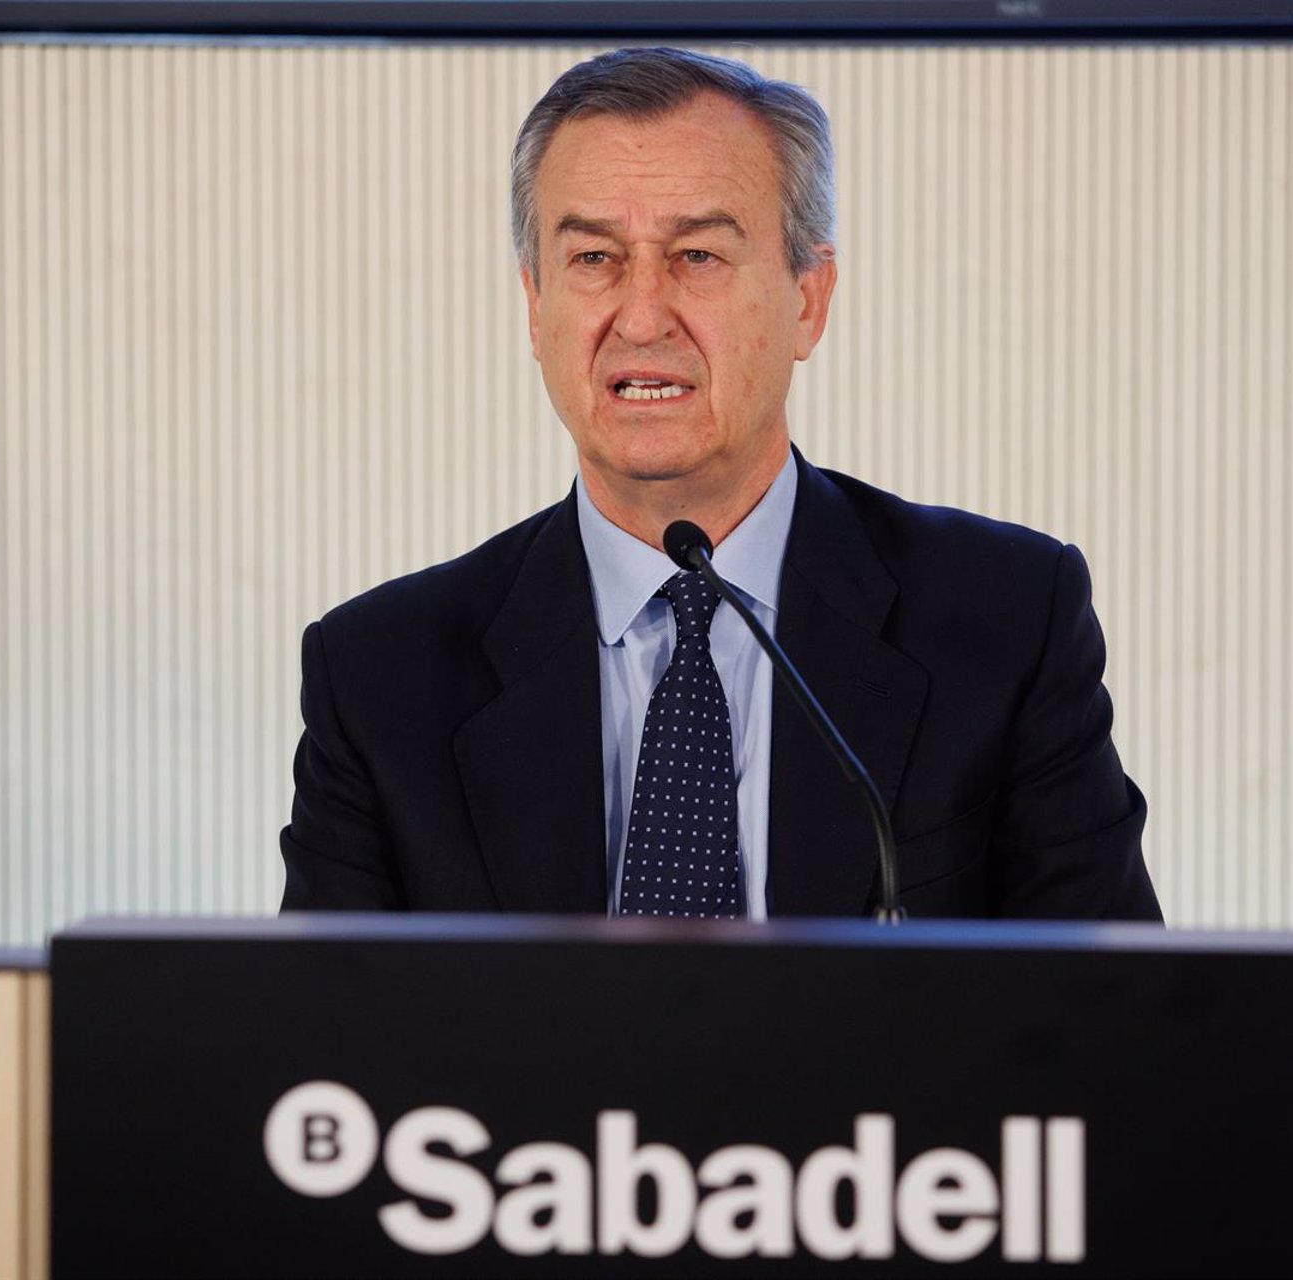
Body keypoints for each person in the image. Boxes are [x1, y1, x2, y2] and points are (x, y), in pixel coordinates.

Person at [280, 47, 1161, 922]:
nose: (641, 317)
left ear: (808, 300)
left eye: (697, 255)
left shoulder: (1008, 624)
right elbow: (321, 1015)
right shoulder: (378, 680)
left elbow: (1118, 1002)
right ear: (535, 307)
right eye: (594, 258)